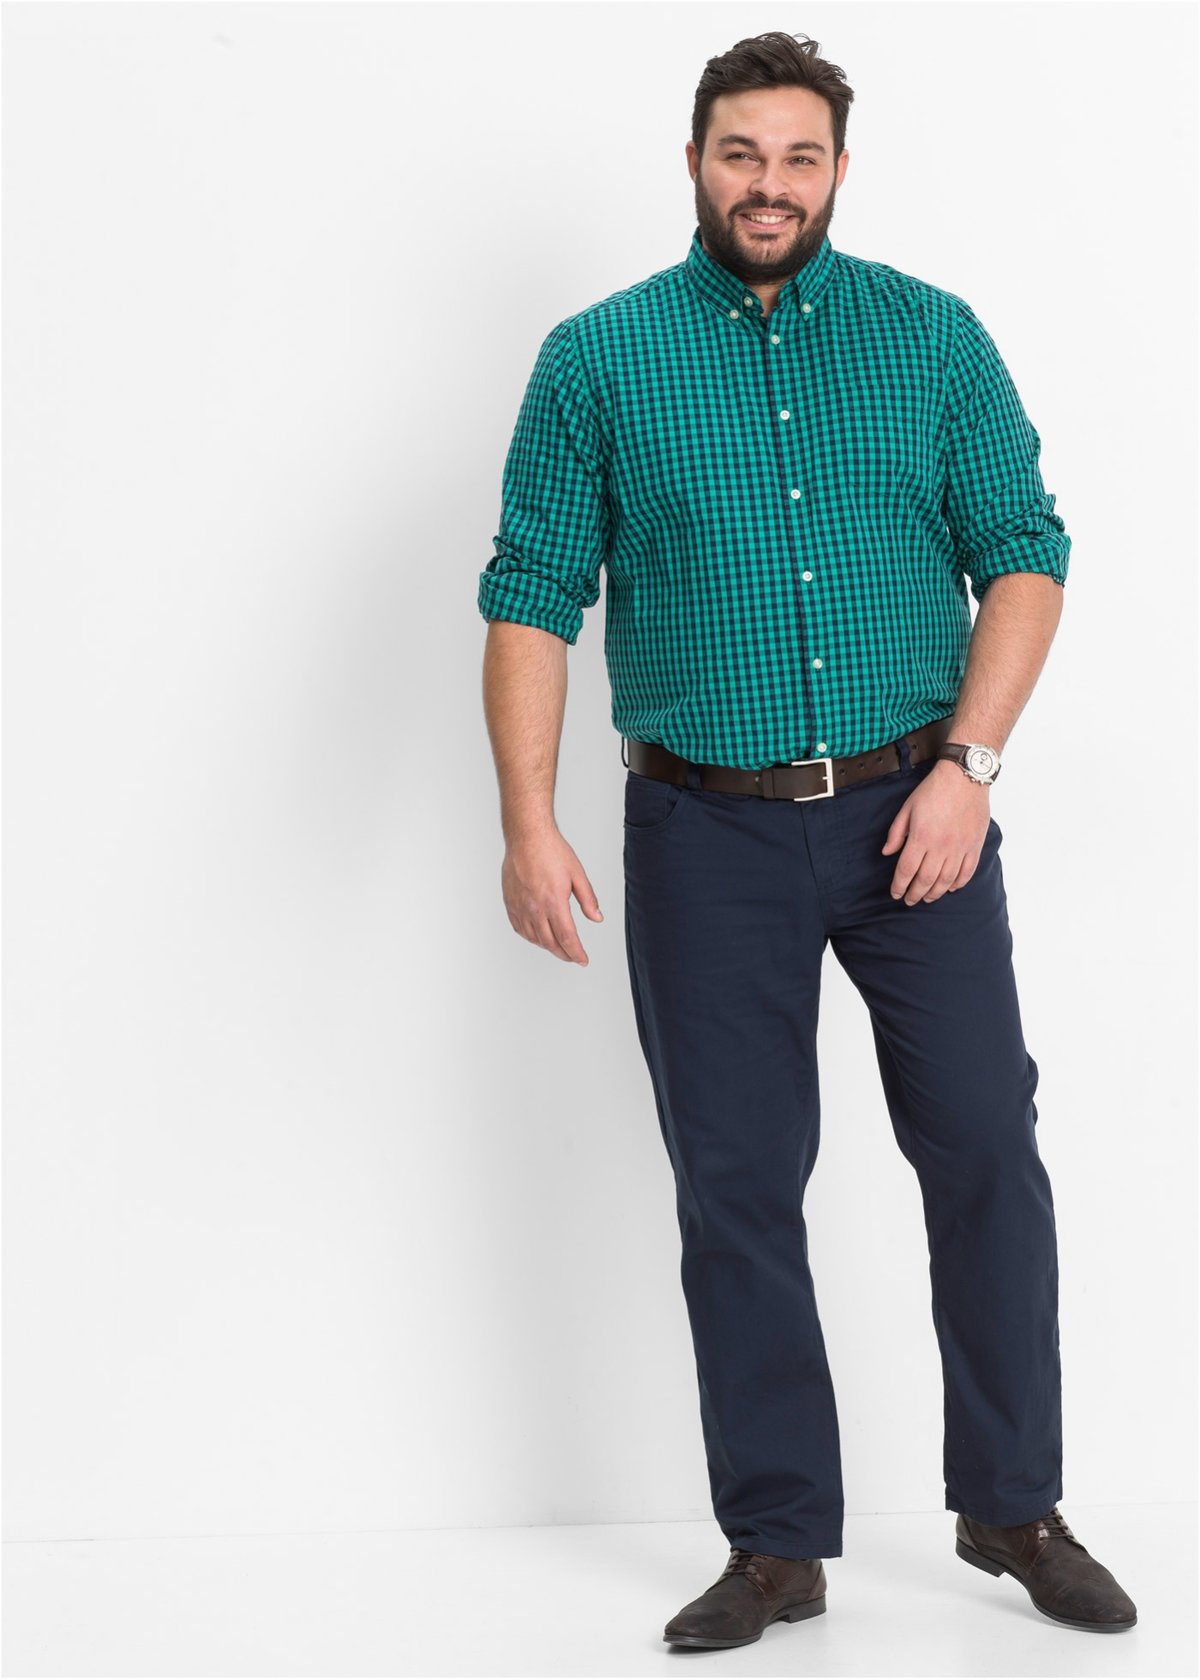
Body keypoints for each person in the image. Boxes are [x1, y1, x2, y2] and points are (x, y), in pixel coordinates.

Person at [476, 28, 1136, 1652]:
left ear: (838, 169)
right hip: (702, 831)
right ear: (693, 161)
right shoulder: (599, 359)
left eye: (797, 157)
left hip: (921, 817)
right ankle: (777, 1544)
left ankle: (1013, 1506)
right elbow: (532, 592)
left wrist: (970, 768)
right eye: (740, 154)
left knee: (985, 1147)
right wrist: (526, 823)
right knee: (739, 1184)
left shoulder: (931, 338)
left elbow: (1025, 552)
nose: (768, 185)